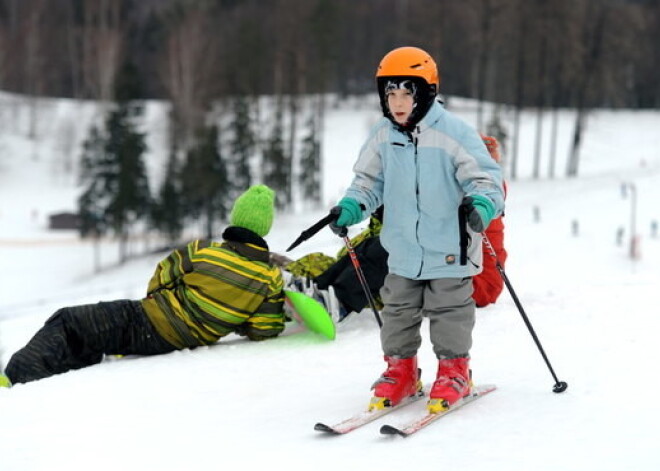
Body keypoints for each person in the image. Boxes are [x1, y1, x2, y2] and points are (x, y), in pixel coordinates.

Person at [329, 46, 505, 413]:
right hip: (404, 250)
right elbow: (367, 183)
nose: (398, 102)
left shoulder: (454, 133)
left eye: (407, 93)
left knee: (450, 312)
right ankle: (401, 371)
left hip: (450, 248)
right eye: (390, 93)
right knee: (397, 312)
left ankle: (455, 370)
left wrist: (484, 204)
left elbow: (486, 178)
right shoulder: (383, 136)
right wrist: (351, 207)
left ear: (426, 92)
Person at [0, 185, 286, 387]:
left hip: (148, 321)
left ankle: (17, 377)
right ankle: (49, 381)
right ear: (265, 228)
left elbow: (162, 274)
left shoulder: (205, 250)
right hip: (187, 338)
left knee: (69, 321)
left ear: (236, 218)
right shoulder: (269, 277)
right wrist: (228, 319)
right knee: (92, 336)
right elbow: (264, 329)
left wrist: (157, 304)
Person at [280, 135, 508, 318]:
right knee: (382, 245)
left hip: (472, 285)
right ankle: (320, 292)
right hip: (452, 272)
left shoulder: (480, 198)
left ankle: (338, 302)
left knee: (393, 249)